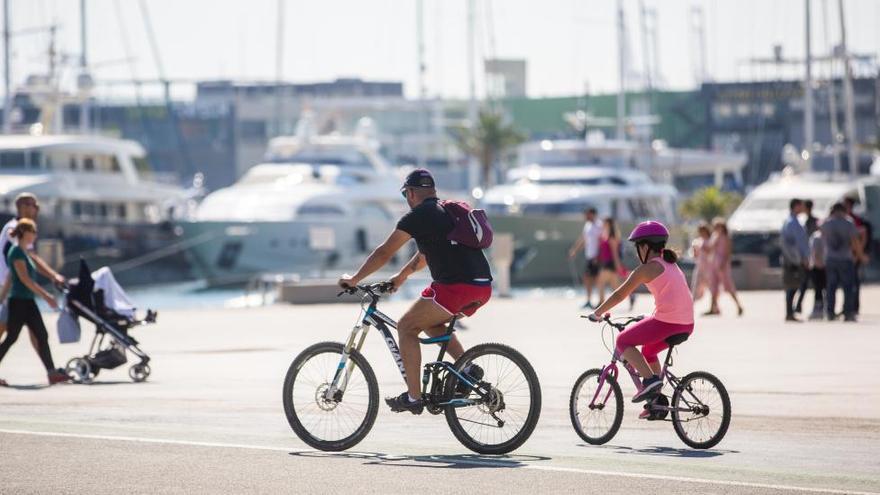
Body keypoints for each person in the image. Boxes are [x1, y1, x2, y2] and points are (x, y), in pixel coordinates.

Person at [337, 169, 492, 414]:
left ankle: (413, 397)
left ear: (409, 193)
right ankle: (466, 369)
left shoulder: (418, 216)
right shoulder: (445, 211)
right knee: (430, 322)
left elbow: (384, 252)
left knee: (406, 326)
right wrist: (401, 277)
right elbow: (425, 256)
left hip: (456, 287)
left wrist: (354, 279)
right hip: (481, 286)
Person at [589, 221, 694, 407]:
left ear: (645, 247)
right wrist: (650, 316)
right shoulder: (670, 263)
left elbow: (620, 294)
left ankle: (650, 381)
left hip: (667, 323)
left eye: (638, 247)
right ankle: (657, 403)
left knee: (622, 340)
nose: (638, 252)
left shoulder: (646, 269)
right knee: (648, 350)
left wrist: (597, 313)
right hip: (686, 324)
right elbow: (671, 298)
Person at [0, 219, 68, 386]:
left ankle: (52, 373)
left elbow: (10, 278)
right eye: (33, 232)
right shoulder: (16, 252)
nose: (35, 235)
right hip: (19, 302)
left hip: (27, 301)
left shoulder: (23, 251)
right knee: (12, 338)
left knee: (41, 335)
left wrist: (1, 297)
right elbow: (24, 279)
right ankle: (52, 372)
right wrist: (46, 296)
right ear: (25, 232)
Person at [1, 193, 65, 352]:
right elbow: (32, 258)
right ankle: (51, 371)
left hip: (16, 289)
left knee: (35, 331)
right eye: (34, 205)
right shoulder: (16, 229)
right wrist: (53, 276)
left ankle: (51, 371)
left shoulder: (20, 227)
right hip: (8, 288)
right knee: (6, 330)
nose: (36, 209)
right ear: (22, 207)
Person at [821, 202, 866, 322]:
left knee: (831, 287)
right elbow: (855, 241)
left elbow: (822, 239)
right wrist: (860, 256)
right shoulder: (849, 222)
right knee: (848, 287)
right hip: (846, 258)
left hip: (830, 258)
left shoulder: (826, 223)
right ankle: (848, 313)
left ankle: (830, 313)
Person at [706, 218, 743, 316]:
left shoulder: (726, 237)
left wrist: (723, 263)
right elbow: (710, 248)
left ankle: (738, 306)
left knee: (728, 285)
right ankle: (713, 307)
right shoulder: (714, 236)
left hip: (722, 264)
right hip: (713, 263)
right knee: (713, 285)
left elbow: (728, 252)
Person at [781, 199, 809, 322]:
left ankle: (790, 311)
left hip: (794, 259)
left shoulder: (794, 222)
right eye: (801, 205)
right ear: (796, 206)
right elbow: (791, 244)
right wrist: (799, 258)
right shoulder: (791, 223)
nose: (803, 208)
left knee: (795, 285)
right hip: (793, 260)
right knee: (792, 286)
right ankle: (789, 312)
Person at [568, 208, 602, 309]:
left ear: (593, 214)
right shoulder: (588, 225)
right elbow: (583, 239)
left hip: (596, 257)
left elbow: (602, 241)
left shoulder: (599, 225)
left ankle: (600, 300)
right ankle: (588, 300)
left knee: (598, 279)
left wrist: (598, 256)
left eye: (587, 214)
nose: (585, 217)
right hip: (589, 256)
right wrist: (574, 250)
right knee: (587, 278)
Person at [843, 197, 869, 316]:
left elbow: (861, 236)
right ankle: (847, 307)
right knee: (846, 283)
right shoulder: (843, 219)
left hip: (853, 256)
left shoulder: (854, 220)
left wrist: (859, 254)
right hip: (844, 256)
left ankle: (853, 307)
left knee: (853, 282)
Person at [795, 199, 819, 313]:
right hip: (810, 256)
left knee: (815, 283)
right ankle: (799, 305)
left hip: (812, 257)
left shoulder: (812, 222)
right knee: (805, 283)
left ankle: (815, 306)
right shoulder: (808, 221)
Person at [595, 217, 624, 306]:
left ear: (609, 224)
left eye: (605, 223)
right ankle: (631, 297)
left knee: (600, 281)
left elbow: (615, 253)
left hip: (610, 263)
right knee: (616, 286)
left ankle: (601, 302)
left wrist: (618, 265)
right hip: (606, 262)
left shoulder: (612, 237)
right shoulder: (605, 235)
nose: (603, 224)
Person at [807, 226, 827, 320]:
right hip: (818, 267)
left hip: (822, 266)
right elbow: (814, 253)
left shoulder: (823, 236)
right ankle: (821, 310)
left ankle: (824, 309)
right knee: (819, 290)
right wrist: (818, 264)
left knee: (822, 290)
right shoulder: (817, 237)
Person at [690, 223, 713, 302]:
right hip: (699, 267)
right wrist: (694, 250)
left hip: (709, 268)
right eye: (700, 231)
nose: (702, 232)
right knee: (695, 286)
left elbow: (712, 253)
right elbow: (695, 256)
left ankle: (714, 307)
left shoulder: (711, 240)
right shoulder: (697, 241)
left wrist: (704, 248)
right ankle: (691, 305)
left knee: (712, 288)